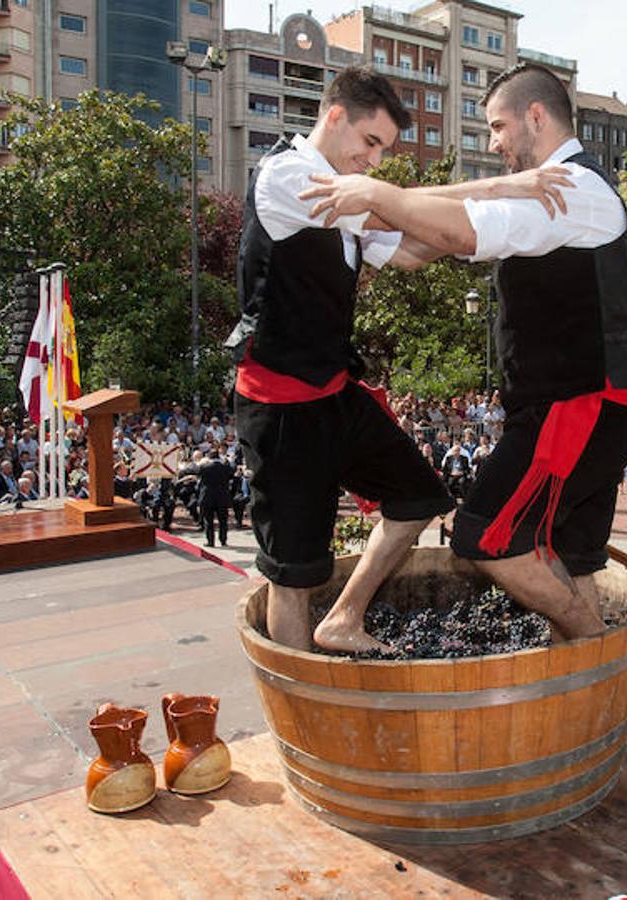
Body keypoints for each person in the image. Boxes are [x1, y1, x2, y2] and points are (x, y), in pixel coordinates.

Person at [301, 63, 627, 641]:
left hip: (579, 404)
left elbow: (461, 232)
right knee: (573, 554)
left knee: (485, 535)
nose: (492, 143)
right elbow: (421, 244)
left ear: (536, 116)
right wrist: (369, 218)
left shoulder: (573, 189)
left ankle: (595, 643)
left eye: (496, 126)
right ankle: (586, 688)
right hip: (588, 405)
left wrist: (377, 193)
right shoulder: (549, 193)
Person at [222, 67, 458, 652]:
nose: (375, 162)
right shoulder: (288, 175)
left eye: (383, 149)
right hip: (280, 406)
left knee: (419, 497)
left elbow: (411, 250)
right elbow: (395, 213)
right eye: (370, 143)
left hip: (333, 392)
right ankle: (302, 707)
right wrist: (508, 189)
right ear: (334, 117)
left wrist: (484, 230)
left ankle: (346, 616)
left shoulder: (350, 192)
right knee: (293, 574)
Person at [196, 449, 234, 548]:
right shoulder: (225, 467)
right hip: (222, 497)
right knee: (223, 521)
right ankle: (223, 540)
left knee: (208, 521)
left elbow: (196, 472)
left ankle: (210, 541)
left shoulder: (204, 467)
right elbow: (232, 474)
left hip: (207, 496)